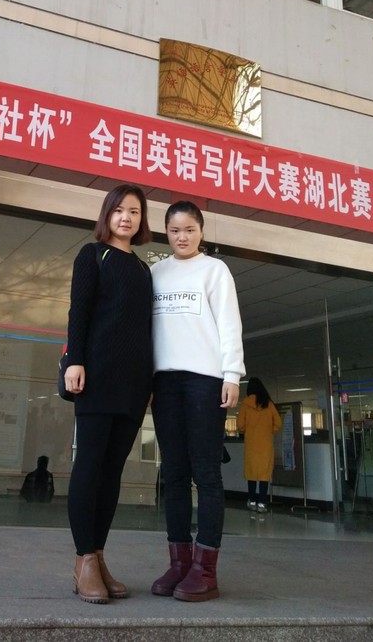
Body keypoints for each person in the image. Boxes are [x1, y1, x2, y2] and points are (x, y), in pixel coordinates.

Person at [150, 200, 245, 603]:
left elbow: (229, 323)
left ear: (201, 231)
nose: (182, 237)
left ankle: (205, 570)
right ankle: (179, 563)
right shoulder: (156, 272)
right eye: (174, 231)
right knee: (173, 473)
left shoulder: (215, 270)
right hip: (164, 381)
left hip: (206, 380)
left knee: (206, 473)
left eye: (189, 230)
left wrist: (232, 374)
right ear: (166, 233)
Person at [63, 184, 153, 604]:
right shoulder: (92, 255)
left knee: (112, 472)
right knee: (90, 467)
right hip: (96, 376)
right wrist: (75, 361)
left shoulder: (144, 269)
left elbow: (146, 329)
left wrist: (150, 381)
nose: (126, 218)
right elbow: (78, 311)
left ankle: (98, 555)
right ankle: (83, 559)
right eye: (118, 210)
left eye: (134, 211)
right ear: (107, 215)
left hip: (134, 383)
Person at [237, 377, 281, 513]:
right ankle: (262, 503)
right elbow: (278, 423)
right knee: (264, 474)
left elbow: (240, 425)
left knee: (251, 473)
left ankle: (252, 501)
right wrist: (269, 431)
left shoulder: (245, 404)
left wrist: (247, 431)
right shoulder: (269, 404)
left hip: (251, 445)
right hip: (266, 445)